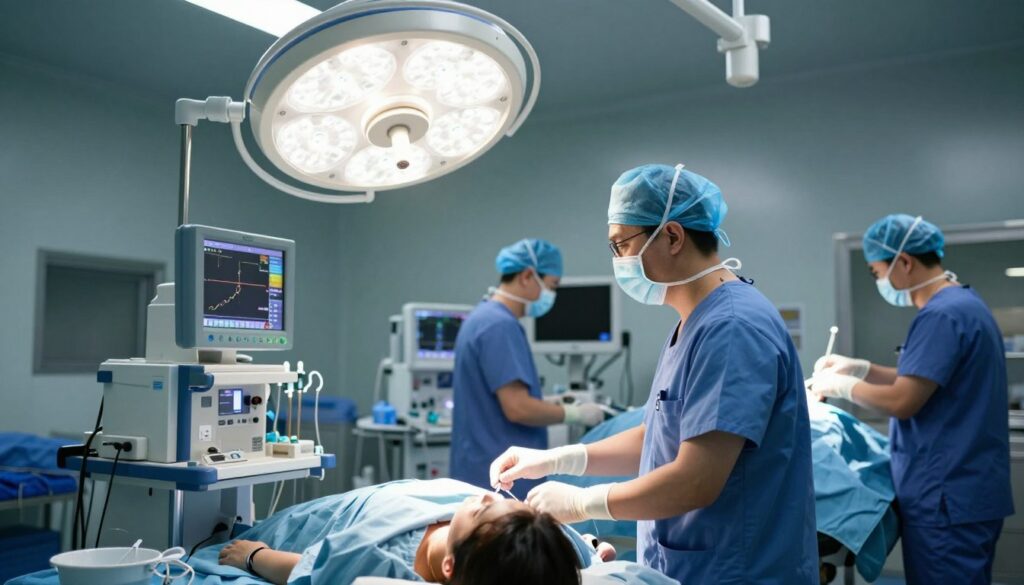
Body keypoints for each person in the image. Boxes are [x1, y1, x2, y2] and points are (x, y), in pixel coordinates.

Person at [490, 164, 818, 584]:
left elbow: (696, 479)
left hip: (739, 570)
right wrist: (559, 459)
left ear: (673, 236)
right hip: (692, 565)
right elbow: (657, 435)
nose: (618, 261)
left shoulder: (732, 327)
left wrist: (582, 502)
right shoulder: (693, 321)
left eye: (620, 245)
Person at [808, 214, 1014, 585]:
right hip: (967, 487)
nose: (879, 281)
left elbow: (904, 400)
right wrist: (861, 369)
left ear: (903, 262)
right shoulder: (965, 305)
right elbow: (924, 379)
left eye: (876, 271)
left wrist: (841, 387)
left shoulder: (941, 315)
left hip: (947, 495)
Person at [208, 479, 591, 585]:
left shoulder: (381, 562)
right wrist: (593, 545)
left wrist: (254, 556)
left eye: (484, 509)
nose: (487, 496)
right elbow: (562, 548)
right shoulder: (528, 543)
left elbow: (309, 569)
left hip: (314, 523)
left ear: (449, 567)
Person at [450, 239, 604, 498]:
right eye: (552, 286)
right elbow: (517, 408)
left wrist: (547, 402)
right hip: (504, 480)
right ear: (527, 276)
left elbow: (494, 401)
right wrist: (573, 414)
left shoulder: (482, 318)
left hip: (481, 470)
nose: (551, 296)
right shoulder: (500, 326)